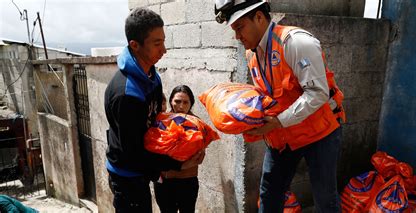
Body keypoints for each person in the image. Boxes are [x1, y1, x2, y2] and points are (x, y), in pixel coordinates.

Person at [214, 1, 345, 212]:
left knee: (324, 197)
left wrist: (277, 121)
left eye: (239, 27)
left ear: (259, 17)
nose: (236, 36)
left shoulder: (296, 43)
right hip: (283, 135)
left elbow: (317, 93)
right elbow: (268, 93)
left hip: (320, 133)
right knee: (270, 191)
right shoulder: (251, 53)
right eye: (234, 30)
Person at [104, 8, 203, 213]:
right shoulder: (127, 94)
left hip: (141, 171)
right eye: (157, 44)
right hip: (127, 176)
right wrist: (177, 165)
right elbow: (133, 155)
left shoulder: (151, 75)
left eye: (163, 41)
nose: (164, 50)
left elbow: (157, 123)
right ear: (135, 45)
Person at [154, 85, 204, 213]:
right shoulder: (162, 122)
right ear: (171, 101)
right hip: (164, 183)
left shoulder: (197, 124)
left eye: (185, 102)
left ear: (191, 103)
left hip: (187, 182)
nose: (181, 106)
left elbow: (200, 157)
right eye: (177, 101)